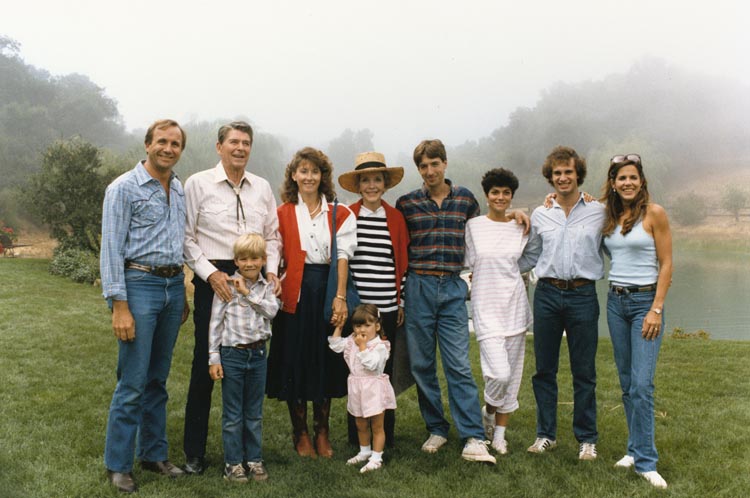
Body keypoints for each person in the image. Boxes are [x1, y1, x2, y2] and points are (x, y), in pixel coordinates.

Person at [396, 139, 515, 464]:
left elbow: (487, 228)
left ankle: (474, 436)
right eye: (424, 166)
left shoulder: (465, 200)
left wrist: (515, 214)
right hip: (418, 285)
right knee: (422, 365)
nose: (430, 170)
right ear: (419, 170)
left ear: (445, 164)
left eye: (435, 163)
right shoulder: (406, 203)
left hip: (451, 287)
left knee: (458, 365)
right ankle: (436, 427)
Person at [182, 121, 281, 474]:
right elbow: (186, 237)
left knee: (252, 352)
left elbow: (272, 235)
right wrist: (211, 274)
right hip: (217, 274)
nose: (240, 148)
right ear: (219, 146)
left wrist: (271, 271)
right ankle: (194, 451)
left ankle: (248, 451)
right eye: (234, 142)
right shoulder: (197, 183)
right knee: (204, 363)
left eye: (246, 143)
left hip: (255, 273)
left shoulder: (262, 188)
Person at [100, 119, 189, 493]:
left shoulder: (179, 188)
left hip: (172, 287)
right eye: (162, 142)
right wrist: (119, 305)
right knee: (133, 381)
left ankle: (153, 455)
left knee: (158, 379)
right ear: (148, 144)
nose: (169, 149)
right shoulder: (123, 188)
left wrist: (183, 289)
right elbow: (111, 250)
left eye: (176, 144)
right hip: (139, 287)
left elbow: (181, 242)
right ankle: (118, 464)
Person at [266, 147, 357, 458]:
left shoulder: (340, 212)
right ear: (294, 175)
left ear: (323, 176)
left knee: (324, 361)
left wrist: (340, 297)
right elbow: (274, 252)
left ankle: (322, 431)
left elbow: (342, 257)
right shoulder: (282, 212)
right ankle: (300, 432)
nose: (308, 176)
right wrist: (272, 275)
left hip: (326, 288)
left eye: (314, 171)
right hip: (294, 293)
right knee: (295, 359)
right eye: (303, 171)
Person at [519, 145, 605, 461]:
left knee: (584, 371)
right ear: (550, 177)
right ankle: (546, 435)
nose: (563, 177)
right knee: (544, 369)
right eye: (557, 173)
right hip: (547, 295)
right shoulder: (540, 214)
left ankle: (587, 438)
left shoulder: (599, 211)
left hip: (583, 295)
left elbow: (614, 246)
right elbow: (530, 255)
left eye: (568, 171)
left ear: (578, 174)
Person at [601, 154, 672, 489]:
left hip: (645, 302)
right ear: (613, 183)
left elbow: (667, 262)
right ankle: (633, 449)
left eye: (632, 177)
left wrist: (656, 308)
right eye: (620, 178)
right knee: (628, 383)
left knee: (643, 385)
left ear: (641, 180)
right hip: (616, 302)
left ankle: (646, 461)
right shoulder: (609, 216)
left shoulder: (654, 213)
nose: (627, 183)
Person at [337, 151, 408, 447]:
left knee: (382, 373)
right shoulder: (349, 215)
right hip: (359, 309)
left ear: (385, 184)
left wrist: (400, 299)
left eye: (377, 179)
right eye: (365, 180)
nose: (371, 185)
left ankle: (384, 435)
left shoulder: (395, 218)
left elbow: (400, 261)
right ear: (358, 185)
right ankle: (358, 436)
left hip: (387, 309)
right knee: (357, 369)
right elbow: (344, 259)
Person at [464, 168, 531, 456]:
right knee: (499, 374)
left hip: (515, 308)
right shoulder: (473, 227)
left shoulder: (520, 227)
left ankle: (500, 434)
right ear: (487, 195)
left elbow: (530, 258)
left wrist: (521, 214)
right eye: (495, 192)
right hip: (485, 309)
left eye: (506, 193)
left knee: (513, 375)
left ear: (511, 196)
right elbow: (467, 265)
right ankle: (488, 412)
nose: (500, 197)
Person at [208, 233, 280, 483]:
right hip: (232, 355)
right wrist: (213, 357)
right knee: (233, 413)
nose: (249, 263)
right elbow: (215, 323)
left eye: (255, 258)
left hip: (258, 354)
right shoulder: (226, 287)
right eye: (243, 259)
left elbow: (272, 311)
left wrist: (248, 293)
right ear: (236, 261)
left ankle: (254, 460)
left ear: (263, 260)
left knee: (254, 412)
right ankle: (233, 463)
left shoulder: (267, 287)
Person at [329, 304, 397, 473]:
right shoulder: (353, 340)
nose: (362, 329)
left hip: (373, 389)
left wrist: (362, 347)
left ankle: (376, 457)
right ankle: (364, 451)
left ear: (377, 326)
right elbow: (336, 345)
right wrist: (338, 328)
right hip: (357, 388)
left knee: (377, 425)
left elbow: (372, 365)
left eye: (367, 325)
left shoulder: (380, 346)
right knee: (360, 423)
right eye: (358, 326)